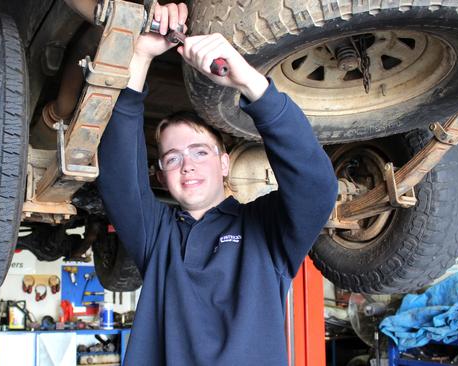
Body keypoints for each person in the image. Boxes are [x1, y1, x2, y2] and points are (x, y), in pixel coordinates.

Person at [97, 2, 338, 365]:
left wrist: (247, 81)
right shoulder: (158, 237)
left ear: (225, 162)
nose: (187, 166)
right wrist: (140, 55)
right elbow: (118, 178)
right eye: (173, 158)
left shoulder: (265, 230)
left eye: (199, 152)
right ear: (162, 175)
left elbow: (316, 187)